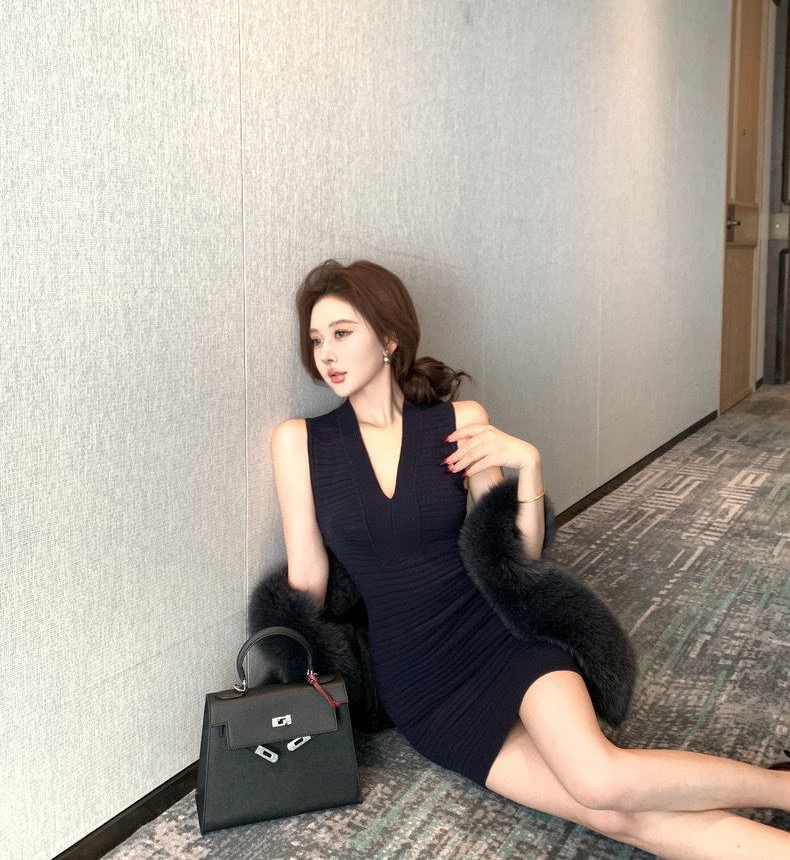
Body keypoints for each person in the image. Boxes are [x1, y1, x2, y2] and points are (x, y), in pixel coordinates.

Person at [271, 258, 790, 860]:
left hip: (501, 635)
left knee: (600, 780)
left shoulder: (458, 422)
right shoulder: (299, 442)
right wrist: (287, 665)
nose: (326, 355)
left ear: (389, 338)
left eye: (342, 333)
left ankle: (781, 788)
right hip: (421, 682)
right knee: (612, 815)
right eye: (316, 340)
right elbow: (307, 576)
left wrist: (530, 467)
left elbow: (516, 558)